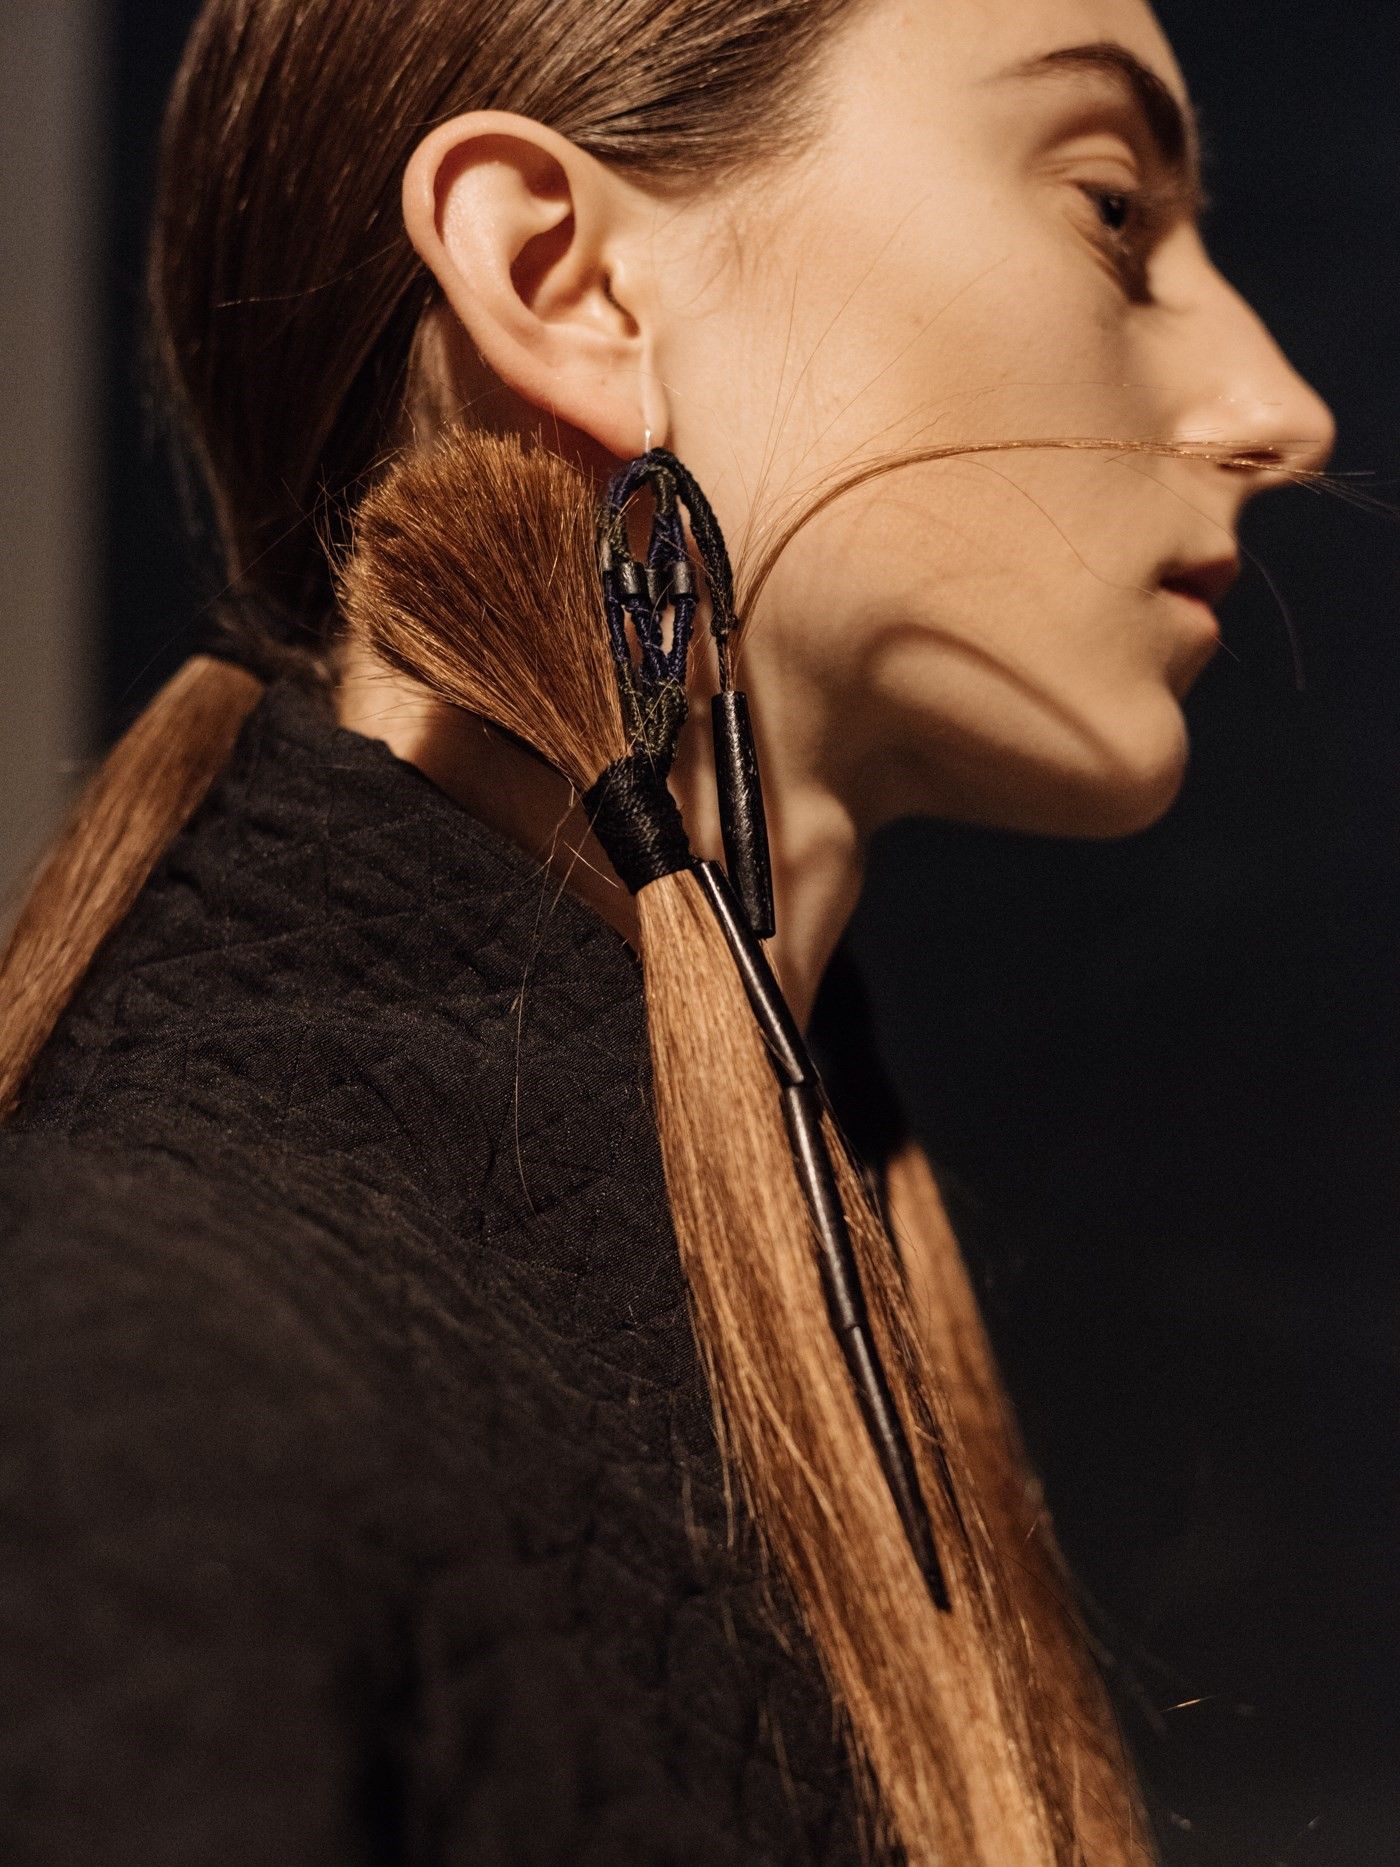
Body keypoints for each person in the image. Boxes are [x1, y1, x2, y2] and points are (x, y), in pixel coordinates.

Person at [0, 0, 1334, 1862]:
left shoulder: (750, 1256)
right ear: (562, 277)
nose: (1282, 410)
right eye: (1110, 210)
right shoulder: (146, 1395)